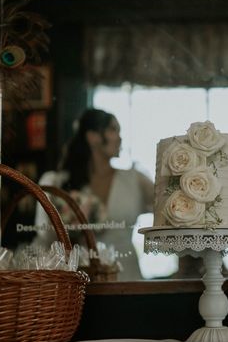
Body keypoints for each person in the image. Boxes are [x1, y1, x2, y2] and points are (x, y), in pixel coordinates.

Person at [33, 108, 154, 281]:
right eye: (113, 130)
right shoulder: (60, 183)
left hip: (128, 276)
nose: (120, 137)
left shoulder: (135, 179)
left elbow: (167, 206)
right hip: (82, 280)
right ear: (93, 137)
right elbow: (46, 237)